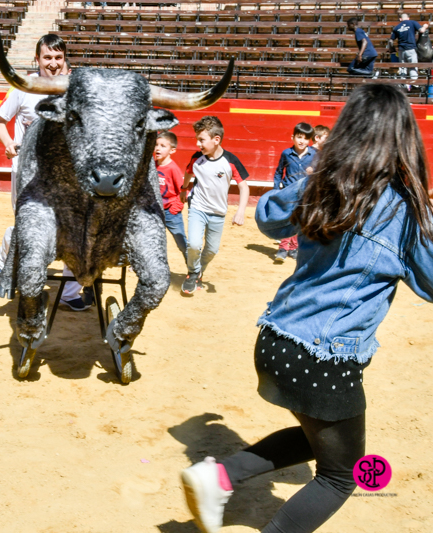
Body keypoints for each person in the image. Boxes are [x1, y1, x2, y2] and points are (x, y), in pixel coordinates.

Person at [179, 84, 433, 533]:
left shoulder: (323, 184)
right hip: (324, 358)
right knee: (341, 475)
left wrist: (314, 176)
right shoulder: (403, 211)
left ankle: (220, 477)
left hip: (275, 340)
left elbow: (268, 218)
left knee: (323, 438)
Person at [0, 34, 87, 311]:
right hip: (28, 172)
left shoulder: (75, 89)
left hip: (66, 174)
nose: (53, 63)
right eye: (47, 57)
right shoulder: (22, 87)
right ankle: (6, 260)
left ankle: (70, 292)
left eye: (58, 57)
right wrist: (8, 143)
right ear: (37, 59)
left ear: (65, 59)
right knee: (27, 228)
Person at [178, 116, 249, 295]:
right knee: (194, 244)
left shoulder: (230, 161)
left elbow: (244, 187)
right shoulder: (197, 158)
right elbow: (188, 172)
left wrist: (240, 211)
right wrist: (184, 189)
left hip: (218, 212)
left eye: (201, 140)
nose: (198, 144)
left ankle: (199, 270)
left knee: (211, 250)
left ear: (216, 140)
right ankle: (192, 273)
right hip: (198, 207)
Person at [272, 122, 316, 263]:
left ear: (309, 140)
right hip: (288, 192)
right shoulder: (286, 153)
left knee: (299, 221)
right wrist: (276, 189)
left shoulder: (314, 155)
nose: (302, 141)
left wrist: (314, 172)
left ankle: (294, 248)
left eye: (306, 138)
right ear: (293, 137)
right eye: (299, 137)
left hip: (305, 193)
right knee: (288, 220)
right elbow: (279, 172)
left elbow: (320, 172)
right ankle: (283, 248)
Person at [153, 131, 187, 263]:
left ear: (172, 150)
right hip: (155, 211)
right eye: (156, 145)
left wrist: (175, 208)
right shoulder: (152, 165)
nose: (158, 148)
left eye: (163, 146)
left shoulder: (173, 168)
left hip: (171, 212)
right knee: (152, 241)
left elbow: (183, 191)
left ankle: (194, 268)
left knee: (181, 242)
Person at [390, 12, 429, 84]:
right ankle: (413, 82)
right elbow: (421, 30)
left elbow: (391, 41)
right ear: (408, 18)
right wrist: (425, 26)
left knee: (402, 67)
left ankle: (403, 84)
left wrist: (392, 49)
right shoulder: (412, 22)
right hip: (411, 48)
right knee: (413, 66)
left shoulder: (397, 27)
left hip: (401, 50)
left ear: (400, 19)